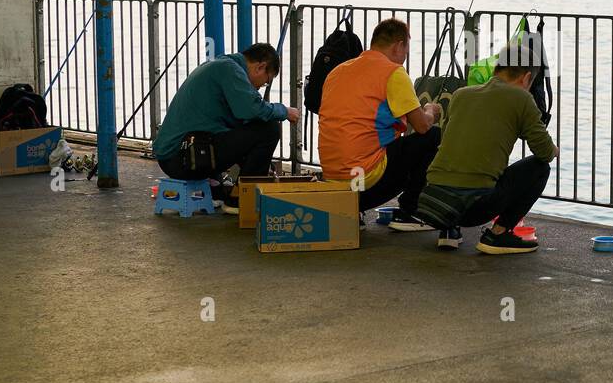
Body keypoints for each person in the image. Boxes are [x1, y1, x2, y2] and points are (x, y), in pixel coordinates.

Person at [415, 34, 557, 255]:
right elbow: (544, 152)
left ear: (496, 69)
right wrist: (554, 149)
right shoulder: (521, 99)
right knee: (540, 168)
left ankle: (450, 230)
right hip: (474, 208)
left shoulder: (462, 94)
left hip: (431, 201)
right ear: (527, 77)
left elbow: (450, 141)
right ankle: (497, 235)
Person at [317, 18, 441, 230]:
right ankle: (410, 211)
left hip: (332, 179)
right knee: (432, 136)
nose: (404, 58)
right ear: (398, 45)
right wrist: (432, 111)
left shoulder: (338, 71)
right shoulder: (393, 72)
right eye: (406, 51)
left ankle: (352, 211)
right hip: (364, 183)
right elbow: (421, 126)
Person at [153, 43, 298, 213]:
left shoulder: (220, 65)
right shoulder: (231, 70)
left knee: (252, 132)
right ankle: (241, 200)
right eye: (266, 81)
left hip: (175, 156)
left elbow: (241, 120)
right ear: (261, 67)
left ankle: (218, 192)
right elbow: (250, 109)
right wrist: (285, 111)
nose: (260, 87)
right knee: (269, 129)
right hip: (182, 159)